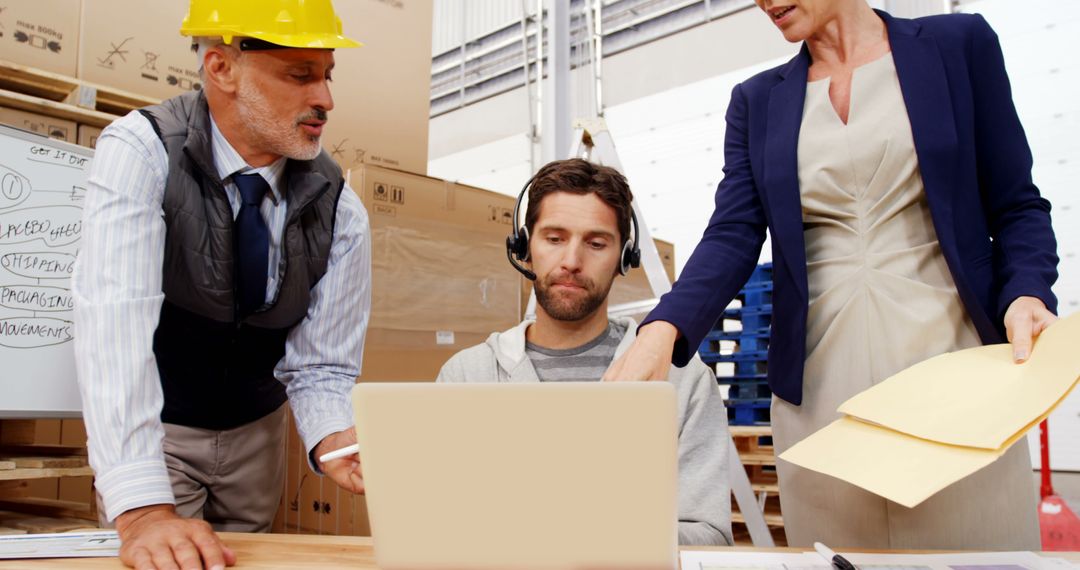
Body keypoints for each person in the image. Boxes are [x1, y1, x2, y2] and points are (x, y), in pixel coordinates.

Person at [604, 0, 1058, 550]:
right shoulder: (756, 102)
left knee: (974, 552)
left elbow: (1017, 204)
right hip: (820, 389)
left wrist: (1026, 290)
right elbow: (733, 233)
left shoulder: (959, 46)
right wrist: (662, 329)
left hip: (955, 370)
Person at [72, 1, 371, 567]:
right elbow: (114, 328)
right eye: (299, 74)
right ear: (221, 69)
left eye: (327, 75)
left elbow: (322, 366)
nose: (325, 100)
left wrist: (335, 439)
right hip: (156, 429)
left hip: (255, 436)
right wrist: (141, 511)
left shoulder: (341, 208)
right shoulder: (141, 151)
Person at [436, 158, 733, 546]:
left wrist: (580, 541)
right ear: (524, 247)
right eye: (554, 238)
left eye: (596, 243)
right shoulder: (467, 376)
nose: (572, 262)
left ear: (625, 258)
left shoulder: (682, 379)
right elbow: (439, 523)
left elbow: (708, 536)